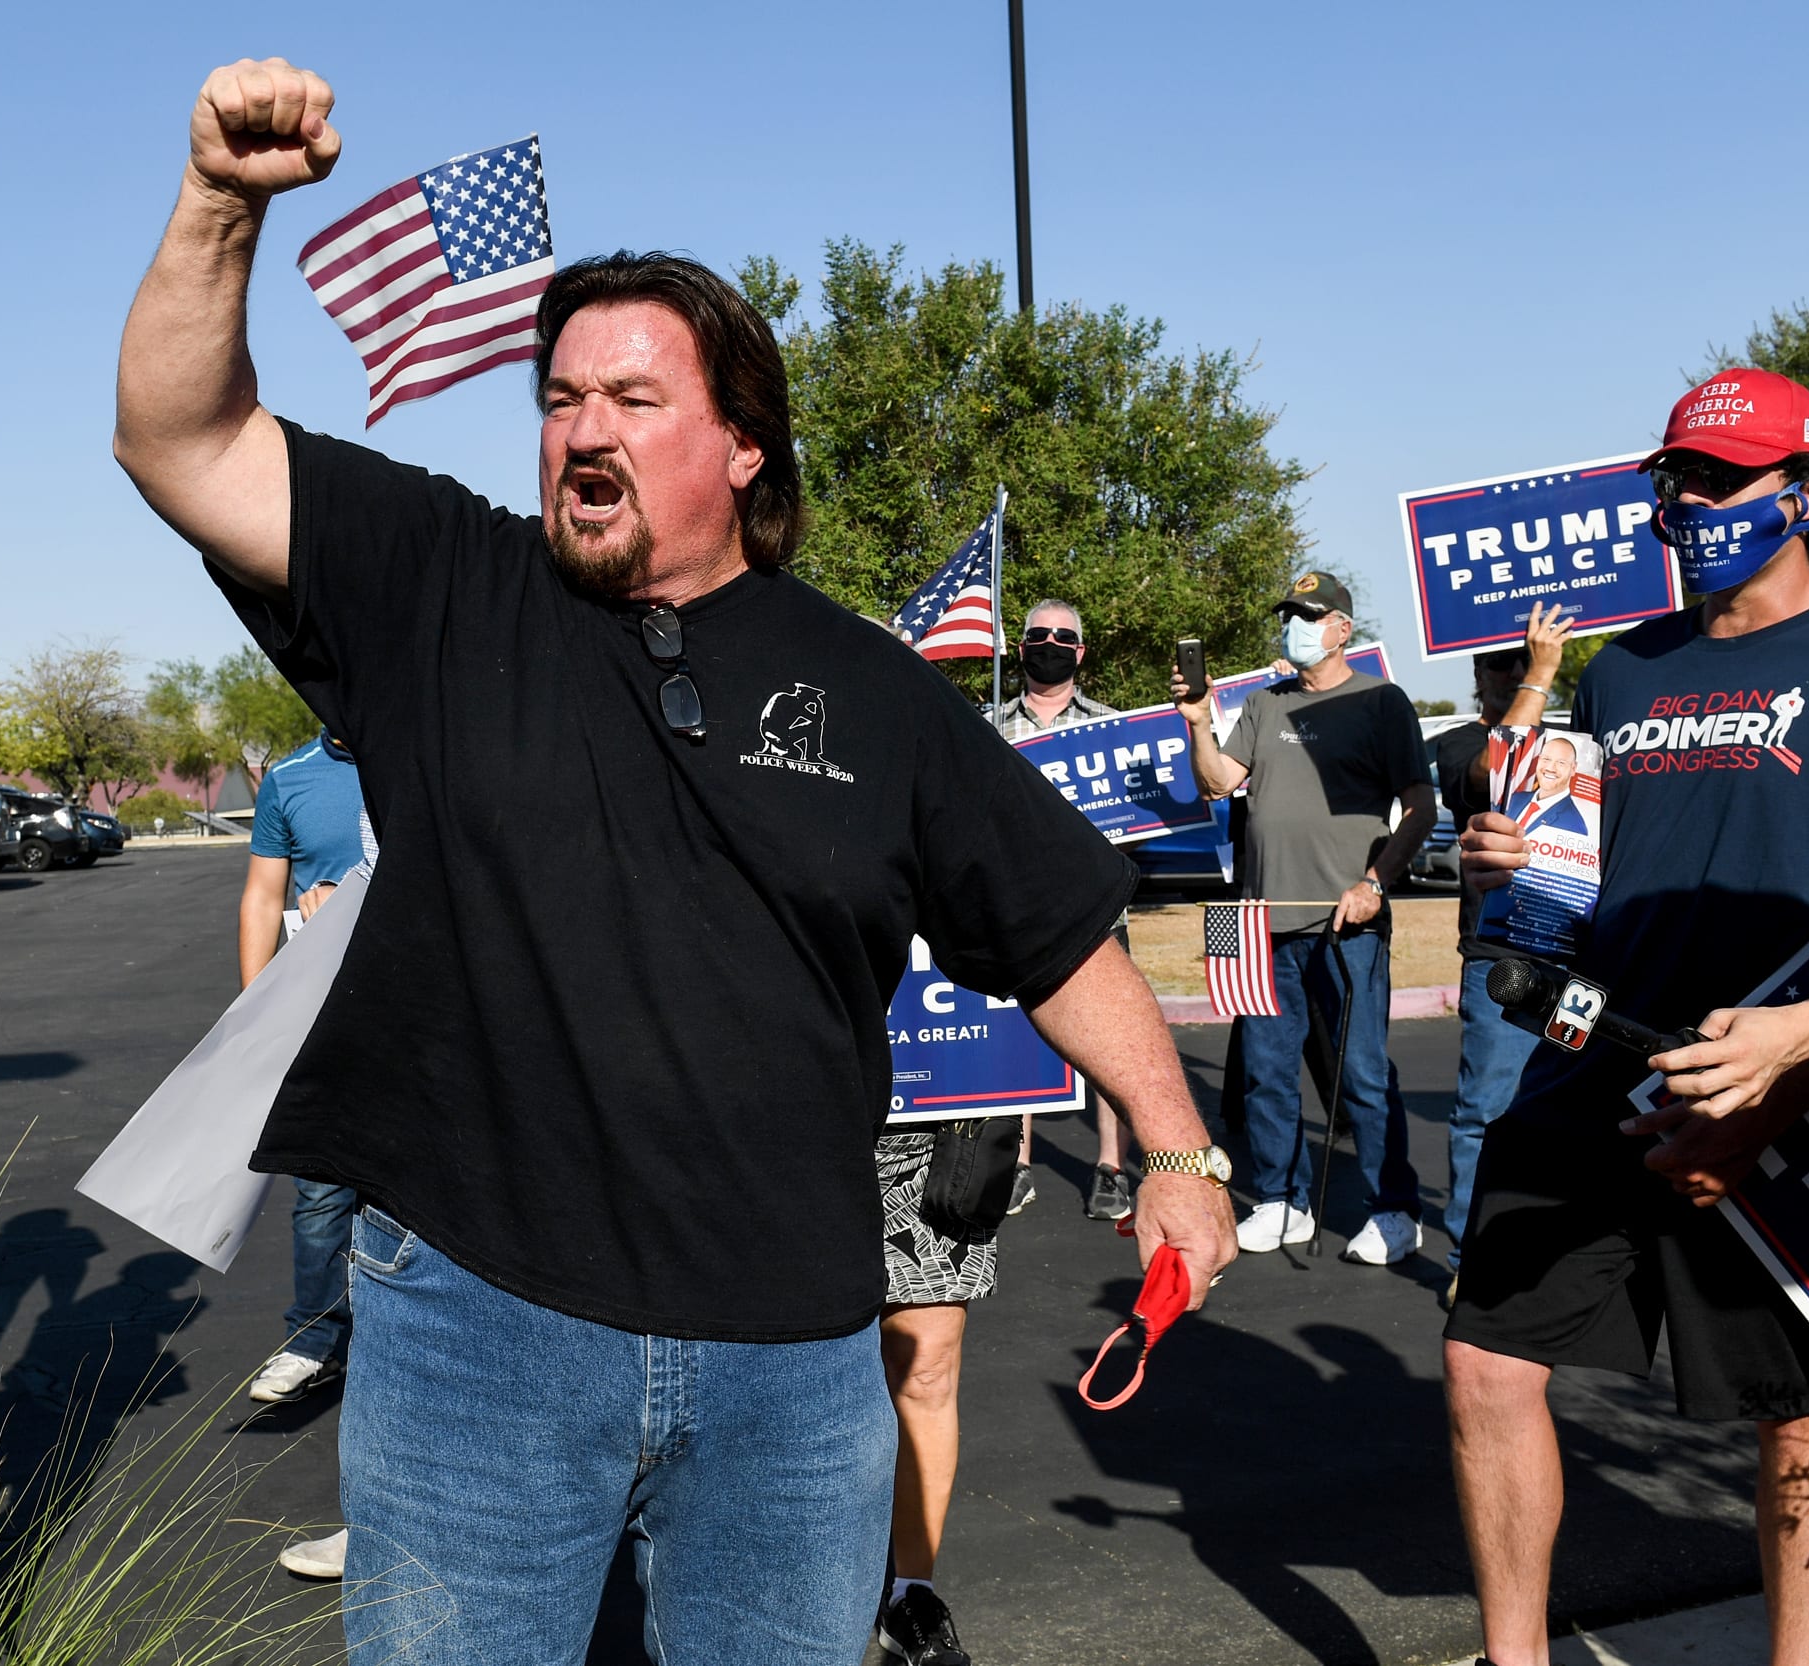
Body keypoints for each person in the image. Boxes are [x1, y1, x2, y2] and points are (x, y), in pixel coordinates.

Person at [112, 58, 1237, 1666]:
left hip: (791, 1360)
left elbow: (1058, 937)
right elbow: (177, 435)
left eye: (634, 401)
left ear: (745, 449)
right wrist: (221, 203)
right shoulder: (442, 583)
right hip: (477, 1330)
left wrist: (1179, 1149)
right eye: (561, 398)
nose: (583, 430)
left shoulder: (872, 690)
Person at [1449, 370, 1809, 1666]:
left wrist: (1805, 1040)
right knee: (1486, 1362)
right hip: (1600, 1059)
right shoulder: (1626, 672)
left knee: (1803, 1414)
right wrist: (1522, 866)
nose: (1687, 502)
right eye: (1675, 478)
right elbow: (1605, 874)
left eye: (1718, 480)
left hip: (1788, 1087)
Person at [1174, 571, 1436, 1262]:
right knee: (1266, 1071)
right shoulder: (1264, 704)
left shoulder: (1381, 702)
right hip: (1261, 922)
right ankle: (1279, 1200)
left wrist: (1376, 883)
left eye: (1308, 616)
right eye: (1290, 615)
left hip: (1347, 921)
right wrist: (1199, 722)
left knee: (1363, 1074)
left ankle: (1395, 1210)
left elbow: (1421, 807)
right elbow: (1218, 782)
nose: (1294, 626)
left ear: (1342, 629)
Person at [1425, 611, 1566, 1306]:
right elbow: (1488, 778)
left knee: (1572, 1110)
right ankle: (1469, 1255)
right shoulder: (1460, 744)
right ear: (1477, 676)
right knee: (1485, 1111)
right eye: (1500, 664)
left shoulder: (1574, 746)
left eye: (1523, 661)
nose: (1513, 670)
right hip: (1501, 961)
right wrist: (1540, 676)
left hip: (1575, 952)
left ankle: (1555, 1254)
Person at [992, 598, 1135, 1222]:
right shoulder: (987, 727)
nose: (1049, 643)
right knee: (1017, 1036)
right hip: (1012, 908)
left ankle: (1110, 1168)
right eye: (1037, 635)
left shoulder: (1114, 728)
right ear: (1019, 648)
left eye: (1063, 636)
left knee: (1109, 1042)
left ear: (1079, 652)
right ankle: (1017, 1162)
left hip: (1097, 911)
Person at [238, 726, 368, 1409]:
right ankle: (315, 1340)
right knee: (320, 1187)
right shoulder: (293, 777)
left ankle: (419, 1346)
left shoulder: (427, 749)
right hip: (323, 1007)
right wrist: (259, 1013)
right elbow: (263, 896)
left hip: (430, 1005)